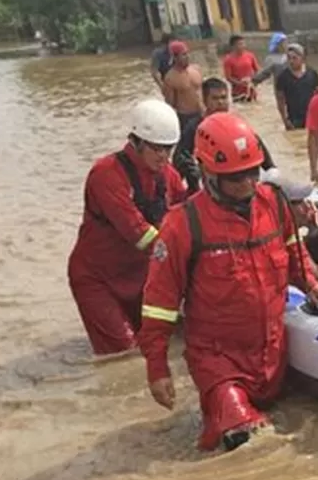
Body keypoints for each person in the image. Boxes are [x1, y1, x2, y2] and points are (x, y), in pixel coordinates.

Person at [136, 112, 318, 452]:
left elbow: (291, 253)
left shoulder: (273, 204)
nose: (246, 184)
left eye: (252, 173)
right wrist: (158, 369)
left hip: (272, 353)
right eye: (235, 177)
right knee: (251, 447)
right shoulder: (182, 225)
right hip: (219, 362)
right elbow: (159, 305)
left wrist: (311, 284)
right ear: (209, 173)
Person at [67, 99, 188, 356]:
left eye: (169, 149)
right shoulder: (106, 174)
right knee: (124, 354)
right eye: (157, 149)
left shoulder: (169, 175)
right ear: (136, 141)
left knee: (160, 340)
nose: (164, 157)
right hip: (97, 280)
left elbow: (187, 216)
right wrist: (184, 260)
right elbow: (140, 234)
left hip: (139, 275)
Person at [202, 76, 277, 175]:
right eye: (215, 98)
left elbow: (259, 149)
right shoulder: (198, 128)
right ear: (205, 100)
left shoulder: (238, 124)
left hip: (240, 177)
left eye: (223, 97)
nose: (220, 102)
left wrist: (272, 173)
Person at [162, 40, 205, 193]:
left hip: (202, 115)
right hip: (185, 119)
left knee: (204, 151)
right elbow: (170, 104)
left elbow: (205, 92)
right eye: (182, 55)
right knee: (184, 155)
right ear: (174, 57)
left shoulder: (196, 70)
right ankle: (177, 185)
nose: (186, 57)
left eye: (187, 54)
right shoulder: (170, 78)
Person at [274, 44, 318, 130]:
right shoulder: (283, 76)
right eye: (289, 58)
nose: (291, 61)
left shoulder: (312, 73)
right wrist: (285, 120)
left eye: (294, 58)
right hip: (293, 119)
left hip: (311, 117)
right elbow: (280, 100)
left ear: (302, 58)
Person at [223, 34, 261, 103]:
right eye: (240, 44)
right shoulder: (228, 59)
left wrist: (252, 80)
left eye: (243, 43)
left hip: (251, 90)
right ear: (233, 46)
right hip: (237, 93)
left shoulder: (250, 55)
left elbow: (257, 71)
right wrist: (240, 83)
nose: (243, 46)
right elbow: (228, 77)